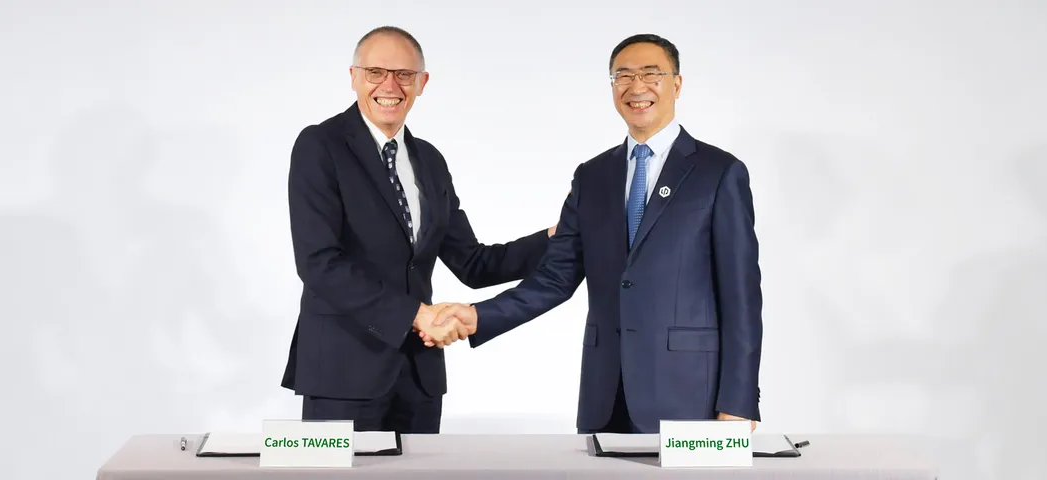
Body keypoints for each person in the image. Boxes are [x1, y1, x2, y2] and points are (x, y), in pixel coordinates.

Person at [425, 34, 762, 434]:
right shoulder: (592, 176)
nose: (637, 87)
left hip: (690, 393)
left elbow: (741, 297)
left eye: (652, 74)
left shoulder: (719, 172)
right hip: (606, 394)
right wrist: (477, 316)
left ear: (677, 83)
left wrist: (738, 402)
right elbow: (555, 279)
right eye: (623, 76)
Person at [281, 25, 554, 432]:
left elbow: (474, 263)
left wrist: (559, 234)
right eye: (375, 72)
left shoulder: (429, 160)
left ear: (422, 83)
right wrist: (416, 315)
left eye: (404, 74)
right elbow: (319, 263)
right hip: (342, 372)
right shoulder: (320, 146)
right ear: (354, 77)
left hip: (418, 377)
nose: (390, 85)